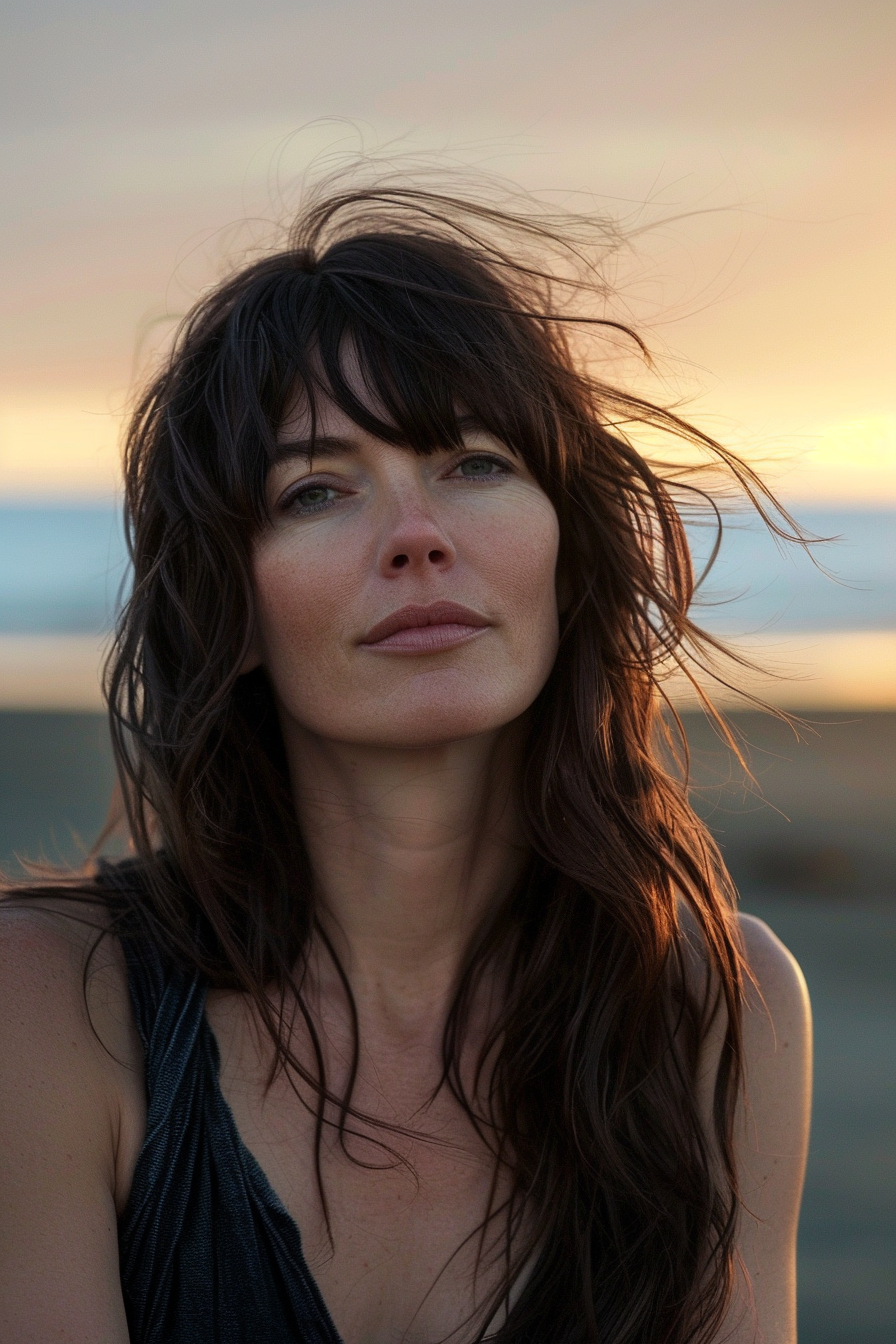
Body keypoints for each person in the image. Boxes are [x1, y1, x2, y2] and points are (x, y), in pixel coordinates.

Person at [0, 179, 811, 1344]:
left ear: (564, 548)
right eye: (316, 489)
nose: (416, 534)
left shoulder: (713, 1009)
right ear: (226, 606)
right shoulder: (50, 1007)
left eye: (473, 462)